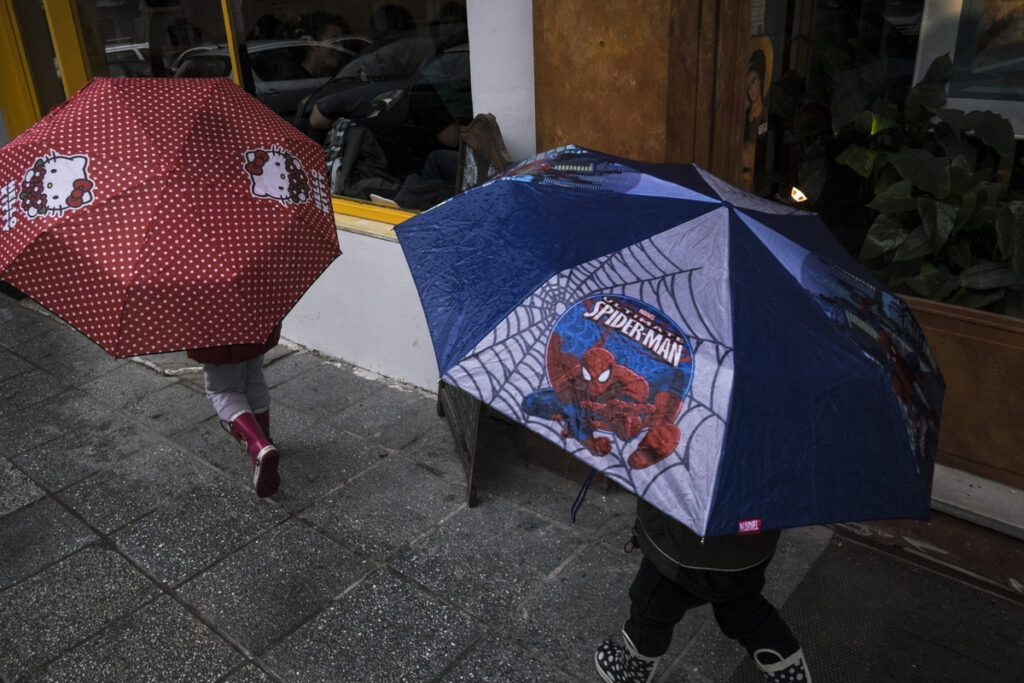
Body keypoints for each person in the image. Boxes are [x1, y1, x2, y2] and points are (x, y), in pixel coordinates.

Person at [594, 499, 812, 682]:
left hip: (684, 549)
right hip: (750, 546)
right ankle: (789, 674)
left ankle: (632, 673)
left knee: (650, 608)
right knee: (746, 612)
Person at [186, 324, 282, 498]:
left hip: (217, 332)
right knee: (252, 376)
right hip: (253, 323)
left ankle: (257, 445)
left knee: (223, 390)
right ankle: (265, 438)